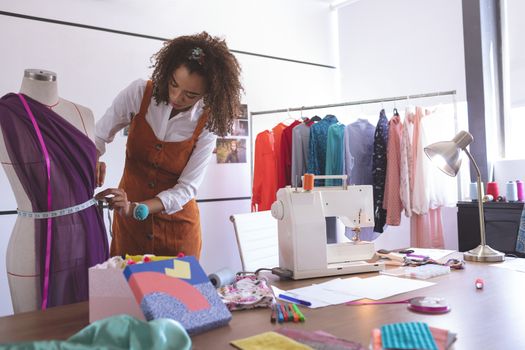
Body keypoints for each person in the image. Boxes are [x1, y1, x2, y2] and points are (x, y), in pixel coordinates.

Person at [95, 32, 243, 259]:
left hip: (178, 230)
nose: (177, 96)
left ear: (207, 93)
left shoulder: (207, 122)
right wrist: (92, 158)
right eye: (174, 84)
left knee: (176, 295)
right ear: (167, 71)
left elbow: (187, 187)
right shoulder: (139, 93)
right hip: (130, 227)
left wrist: (137, 208)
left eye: (190, 94)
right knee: (126, 293)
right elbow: (99, 134)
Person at [0, 69, 109, 312]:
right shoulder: (6, 115)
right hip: (33, 242)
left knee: (89, 322)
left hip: (88, 235)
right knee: (34, 335)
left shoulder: (85, 114)